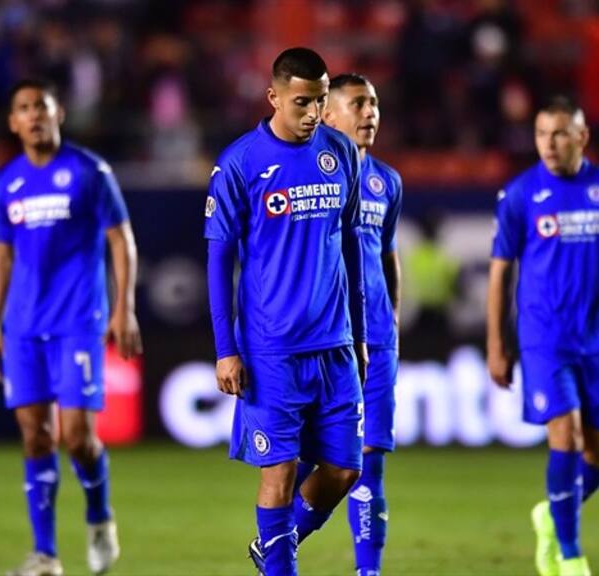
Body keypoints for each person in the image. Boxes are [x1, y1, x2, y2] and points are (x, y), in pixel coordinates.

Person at [204, 47, 368, 576]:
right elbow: (218, 260)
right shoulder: (241, 163)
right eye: (302, 102)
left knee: (345, 469)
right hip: (272, 349)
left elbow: (351, 251)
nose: (313, 113)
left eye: (320, 102)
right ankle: (281, 564)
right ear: (273, 96)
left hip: (336, 344)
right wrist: (226, 349)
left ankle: (276, 546)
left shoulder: (341, 152)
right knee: (278, 475)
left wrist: (359, 334)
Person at [487, 96, 599, 576]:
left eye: (560, 133)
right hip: (545, 339)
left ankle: (552, 512)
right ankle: (569, 554)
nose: (549, 143)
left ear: (582, 137)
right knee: (566, 436)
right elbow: (500, 272)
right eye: (542, 133)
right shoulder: (521, 195)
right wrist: (496, 344)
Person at [0, 79, 142, 576]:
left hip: (78, 321)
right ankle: (46, 555)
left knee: (77, 436)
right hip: (23, 327)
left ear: (60, 115)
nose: (34, 116)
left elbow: (121, 240)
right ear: (13, 122)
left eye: (42, 107)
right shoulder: (5, 182)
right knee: (35, 436)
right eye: (24, 108)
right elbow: (3, 256)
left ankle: (99, 516)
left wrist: (125, 308)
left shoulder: (89, 171)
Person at [303, 73, 401, 576]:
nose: (370, 113)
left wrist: (392, 317)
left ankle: (368, 572)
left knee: (369, 462)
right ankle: (281, 542)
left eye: (375, 103)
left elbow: (386, 254)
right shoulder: (309, 177)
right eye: (358, 103)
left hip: (376, 340)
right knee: (304, 461)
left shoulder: (388, 181)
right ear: (328, 115)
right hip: (320, 337)